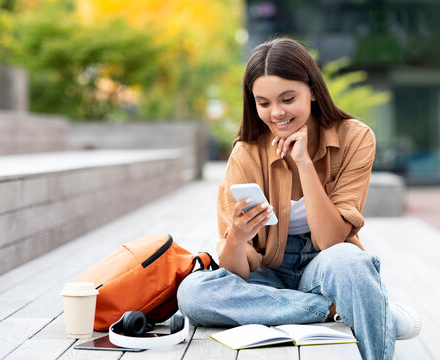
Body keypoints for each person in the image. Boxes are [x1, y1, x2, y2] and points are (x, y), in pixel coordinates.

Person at [177, 37, 421, 360]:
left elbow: (332, 240)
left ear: (314, 91)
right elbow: (237, 274)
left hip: (324, 265)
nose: (276, 113)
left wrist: (304, 163)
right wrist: (236, 238)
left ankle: (360, 316)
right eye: (263, 103)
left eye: (287, 99)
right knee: (192, 293)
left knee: (354, 263)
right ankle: (341, 309)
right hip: (268, 273)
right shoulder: (246, 154)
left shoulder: (356, 138)